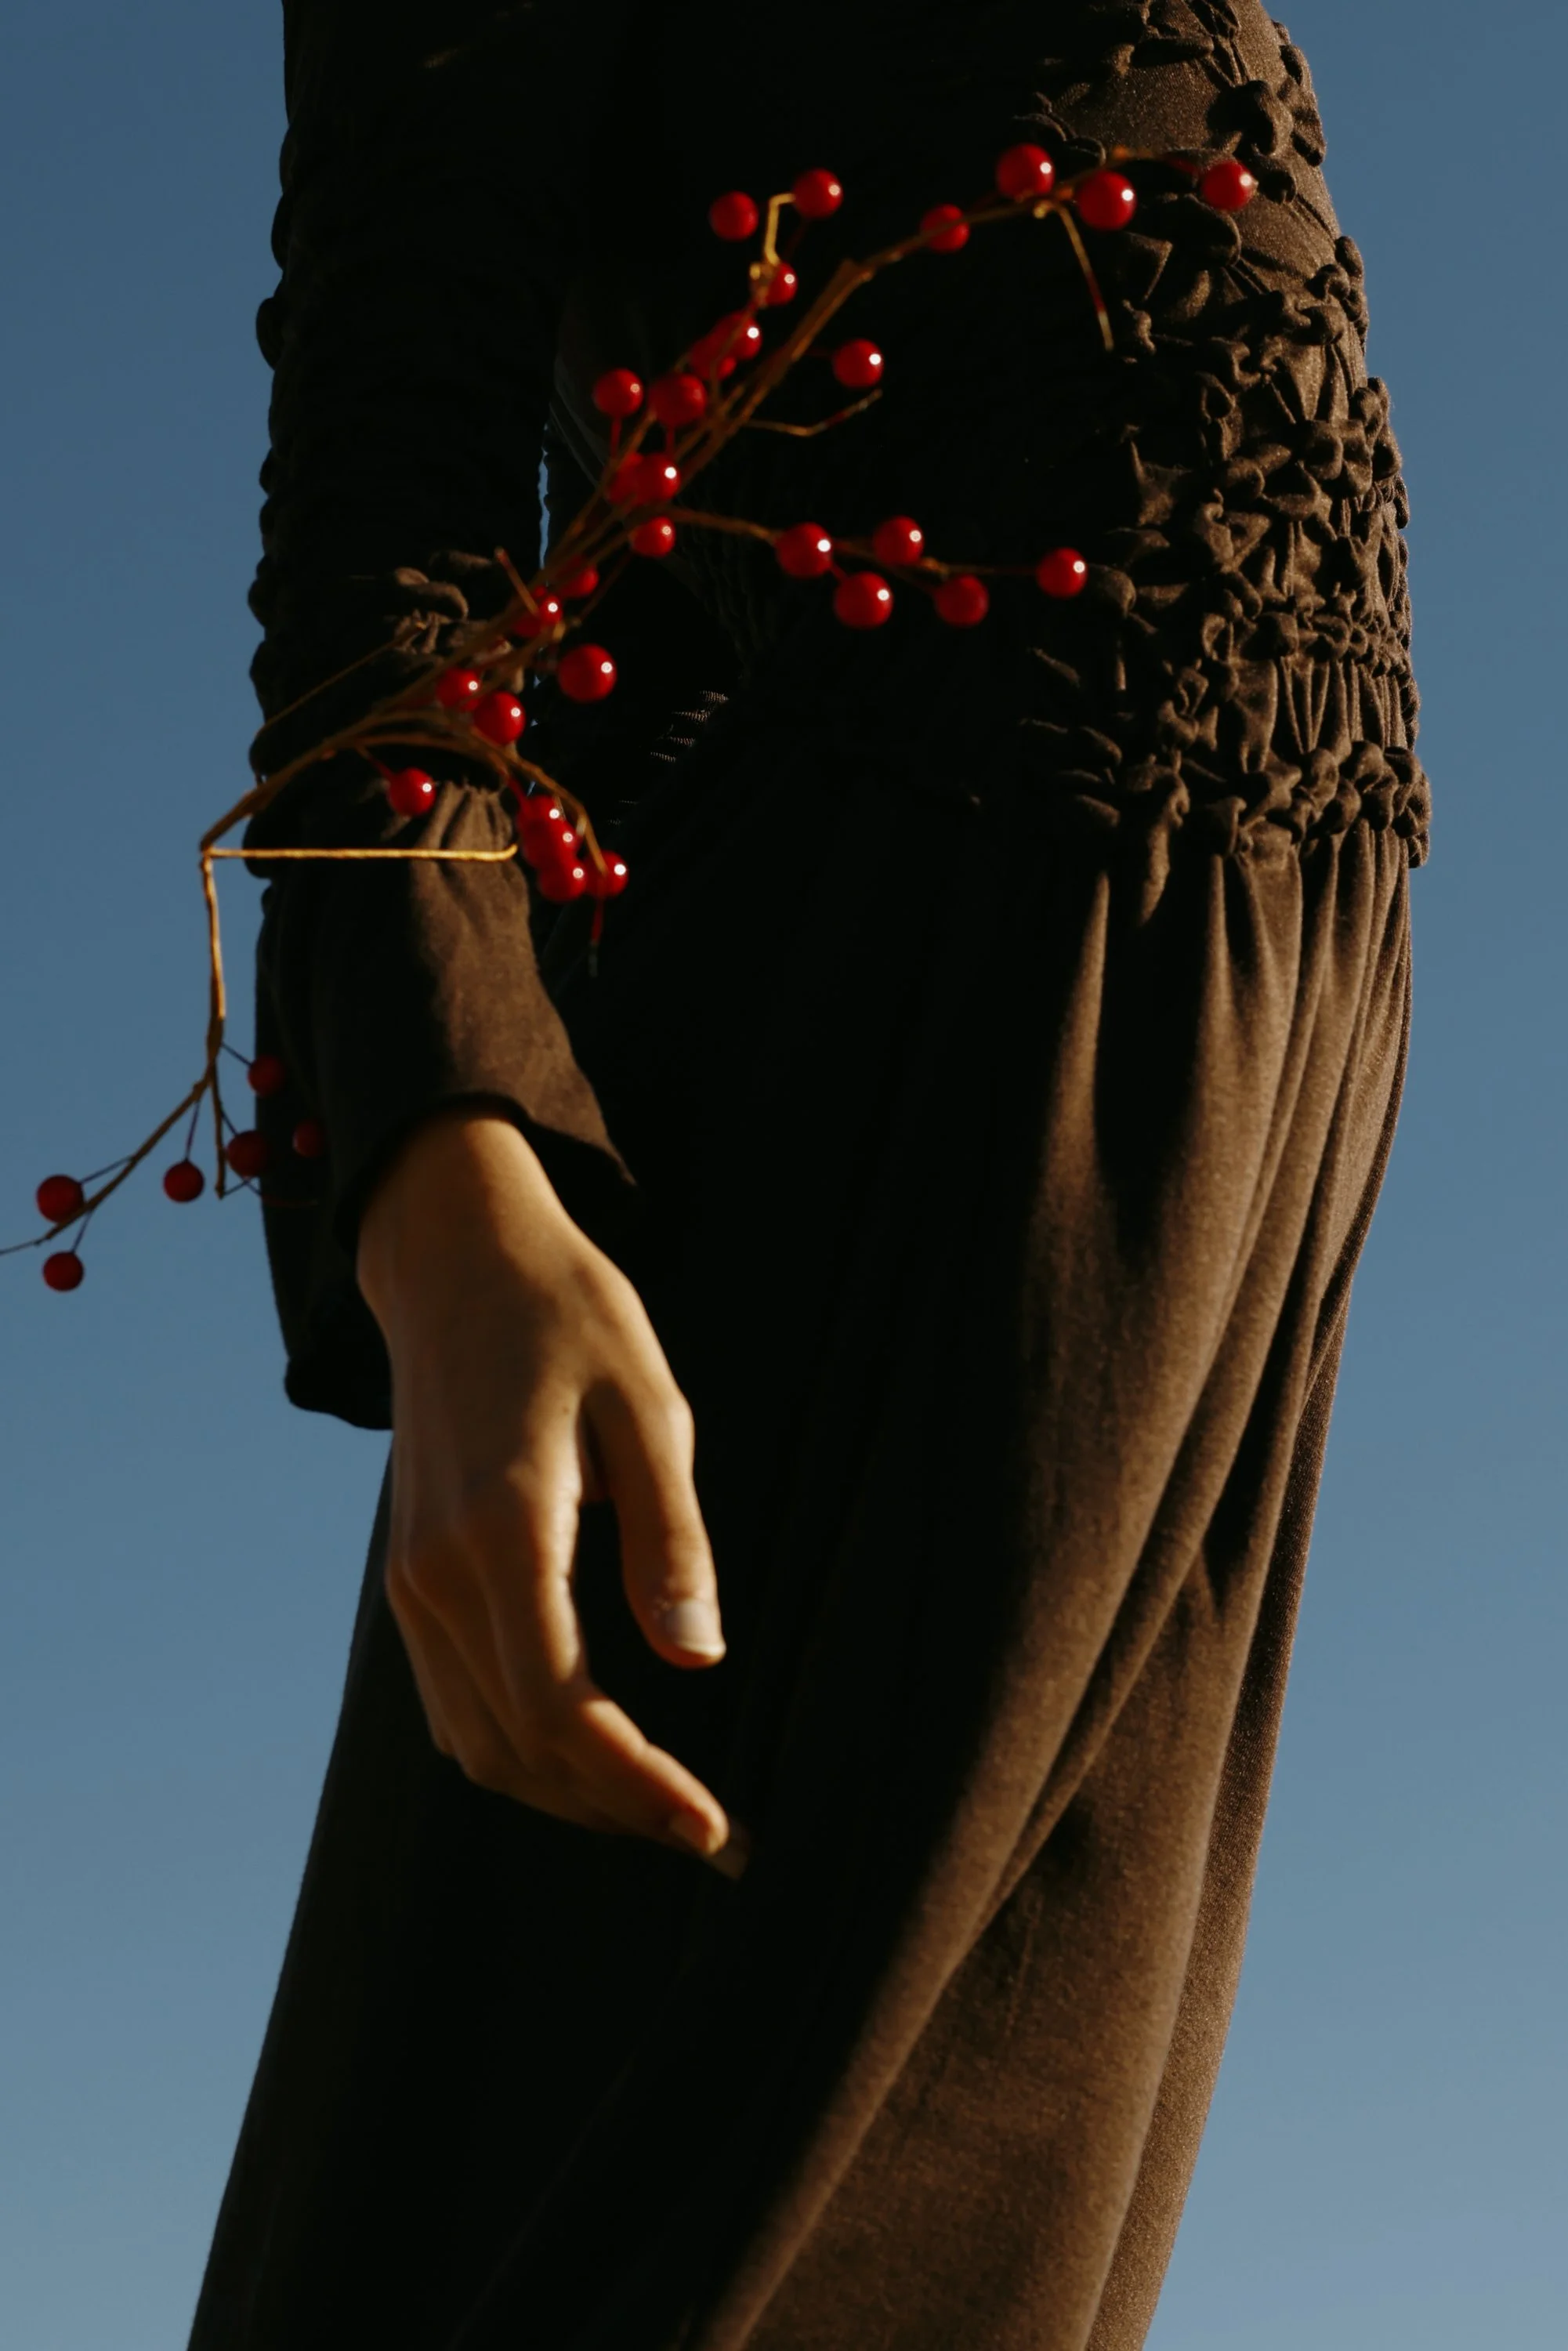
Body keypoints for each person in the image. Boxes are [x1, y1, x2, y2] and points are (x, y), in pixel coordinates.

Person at [190, 5, 1427, 2346]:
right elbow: (401, 417)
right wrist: (448, 1145)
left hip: (1273, 1055)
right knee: (578, 2210)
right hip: (893, 963)